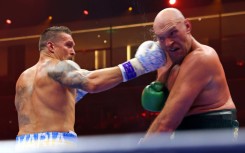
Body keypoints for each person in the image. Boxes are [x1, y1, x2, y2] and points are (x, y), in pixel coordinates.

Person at [14, 26, 166, 148]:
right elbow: (92, 82)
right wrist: (140, 65)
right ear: (51, 46)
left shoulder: (23, 77)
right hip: (56, 144)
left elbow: (43, 110)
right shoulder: (57, 67)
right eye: (68, 45)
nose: (73, 51)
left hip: (21, 145)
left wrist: (75, 93)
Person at [141, 8, 239, 140]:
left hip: (214, 132)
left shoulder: (201, 58)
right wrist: (159, 77)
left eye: (173, 33)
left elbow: (166, 123)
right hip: (188, 132)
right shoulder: (169, 59)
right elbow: (159, 106)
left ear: (187, 26)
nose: (168, 43)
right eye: (161, 38)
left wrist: (142, 147)